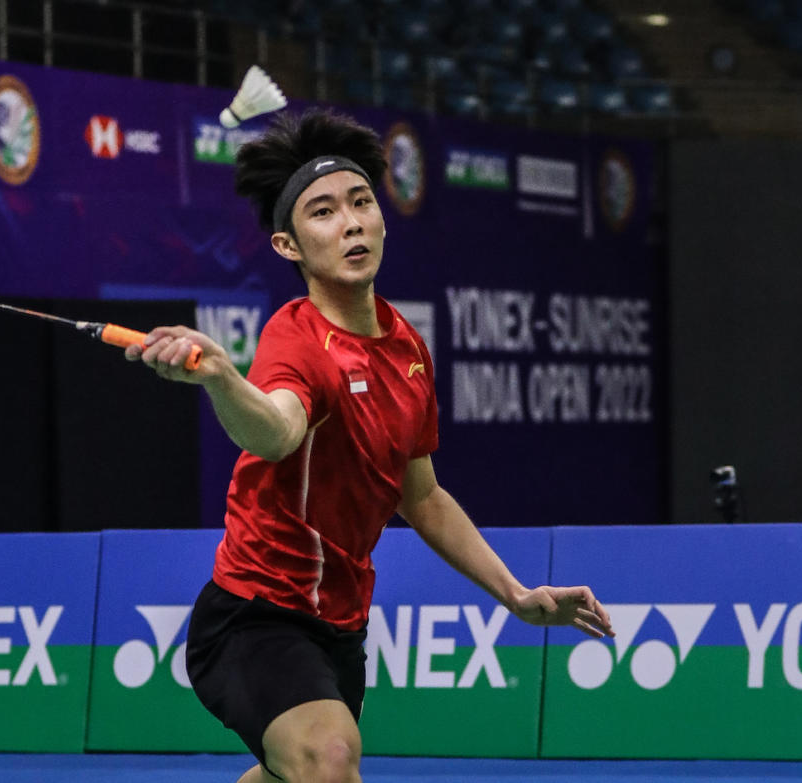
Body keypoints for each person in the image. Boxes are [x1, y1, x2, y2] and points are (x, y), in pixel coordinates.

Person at [124, 108, 613, 783]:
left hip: (340, 627)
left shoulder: (406, 347)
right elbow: (275, 429)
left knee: (291, 771)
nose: (351, 221)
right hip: (254, 615)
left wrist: (516, 594)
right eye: (323, 212)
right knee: (329, 759)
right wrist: (222, 378)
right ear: (288, 246)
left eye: (361, 202)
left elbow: (424, 496)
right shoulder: (295, 340)